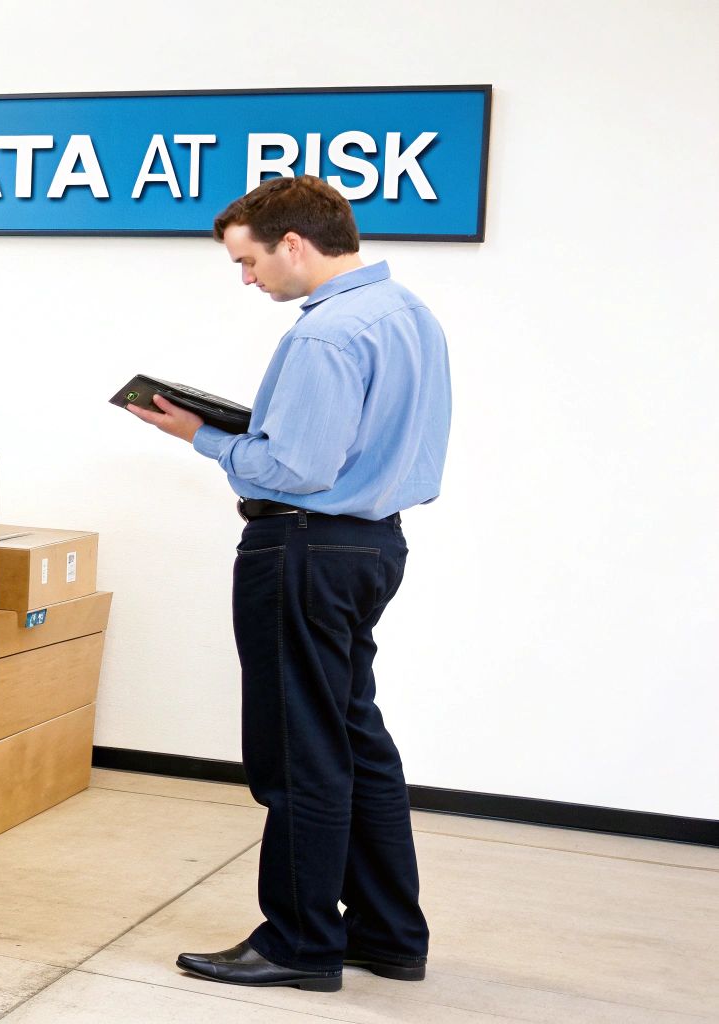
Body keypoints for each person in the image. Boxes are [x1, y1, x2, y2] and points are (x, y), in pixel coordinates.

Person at [125, 175, 451, 992]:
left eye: (249, 262)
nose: (248, 280)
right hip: (373, 547)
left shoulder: (323, 337)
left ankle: (300, 943)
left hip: (301, 550)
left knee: (297, 752)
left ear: (294, 245)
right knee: (354, 740)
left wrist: (203, 435)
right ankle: (388, 934)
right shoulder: (412, 315)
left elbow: (296, 468)